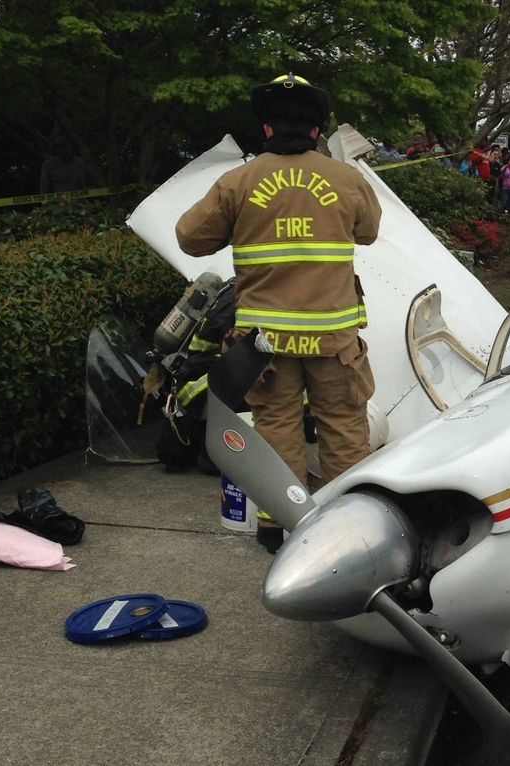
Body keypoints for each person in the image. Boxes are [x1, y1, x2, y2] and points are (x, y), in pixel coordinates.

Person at [175, 73, 382, 552]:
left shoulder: (238, 182)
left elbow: (191, 236)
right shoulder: (346, 179)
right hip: (334, 341)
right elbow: (369, 231)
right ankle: (351, 530)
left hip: (263, 345)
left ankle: (277, 525)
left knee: (276, 428)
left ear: (266, 130)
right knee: (345, 426)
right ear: (316, 131)